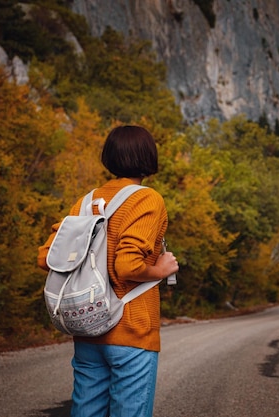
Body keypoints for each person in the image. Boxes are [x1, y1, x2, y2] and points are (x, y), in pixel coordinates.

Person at [37, 125, 179, 417]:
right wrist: (160, 269)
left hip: (88, 327)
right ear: (149, 157)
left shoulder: (87, 201)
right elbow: (127, 266)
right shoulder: (146, 199)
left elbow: (46, 257)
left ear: (109, 157)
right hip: (130, 330)